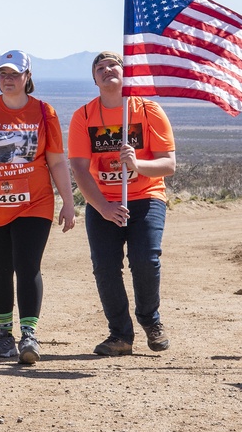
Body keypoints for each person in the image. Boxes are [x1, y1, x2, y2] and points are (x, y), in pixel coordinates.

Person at [0, 50, 75, 365]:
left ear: (27, 77)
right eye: (3, 74)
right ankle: (4, 335)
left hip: (34, 202)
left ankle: (29, 335)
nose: (8, 79)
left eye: (14, 74)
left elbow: (57, 160)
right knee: (0, 268)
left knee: (28, 266)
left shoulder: (44, 112)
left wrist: (68, 201)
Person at [68, 51, 176, 357]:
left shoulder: (148, 109)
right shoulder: (84, 116)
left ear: (125, 73)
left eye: (113, 65)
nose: (107, 70)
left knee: (145, 260)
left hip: (146, 197)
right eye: (99, 68)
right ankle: (120, 335)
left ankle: (150, 319)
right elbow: (78, 167)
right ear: (94, 79)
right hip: (103, 202)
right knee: (105, 267)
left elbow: (169, 165)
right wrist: (103, 207)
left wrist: (138, 165)